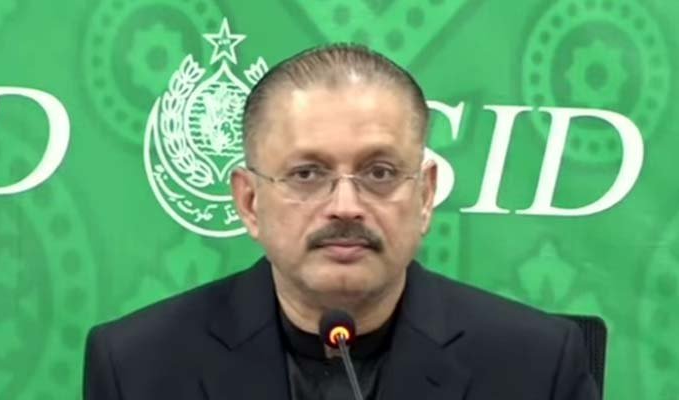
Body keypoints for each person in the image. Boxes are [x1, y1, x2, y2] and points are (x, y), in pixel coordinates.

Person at [83, 44, 600, 400]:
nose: (346, 206)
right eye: (307, 174)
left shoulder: (536, 365)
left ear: (424, 196)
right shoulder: (138, 365)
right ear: (249, 202)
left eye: (379, 172)